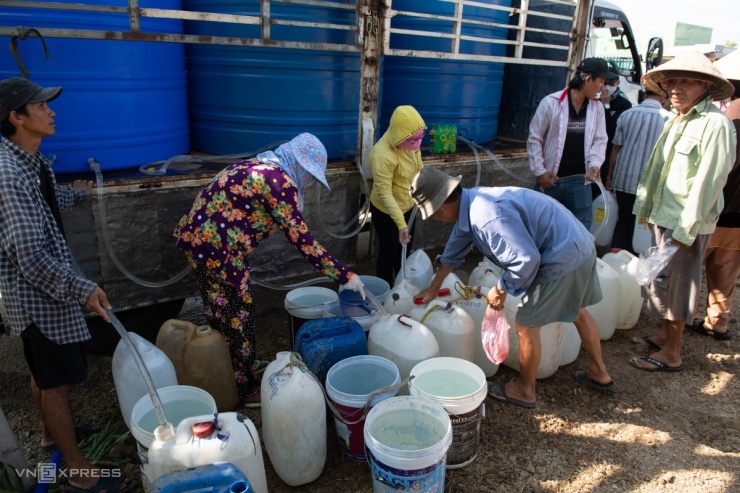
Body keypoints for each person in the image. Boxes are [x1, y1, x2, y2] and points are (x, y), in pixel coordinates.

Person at [0, 77, 128, 493]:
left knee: (44, 373)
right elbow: (30, 256)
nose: (51, 110)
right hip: (37, 298)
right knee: (57, 384)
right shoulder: (7, 174)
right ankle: (79, 472)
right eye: (40, 106)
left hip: (44, 293)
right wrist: (82, 289)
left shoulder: (28, 160)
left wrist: (77, 193)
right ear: (16, 118)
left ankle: (52, 436)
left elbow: (49, 196)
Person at [174, 133, 365, 403]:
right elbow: (304, 241)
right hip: (218, 249)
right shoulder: (279, 182)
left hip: (200, 240)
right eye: (308, 173)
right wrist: (345, 275)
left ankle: (226, 373)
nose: (308, 180)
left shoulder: (261, 165)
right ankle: (244, 386)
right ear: (298, 163)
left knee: (221, 313)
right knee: (238, 314)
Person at [409, 166, 615, 408]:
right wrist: (434, 287)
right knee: (577, 310)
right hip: (579, 244)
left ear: (440, 209)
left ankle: (525, 390)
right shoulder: (473, 201)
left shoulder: (486, 218)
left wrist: (500, 289)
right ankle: (599, 372)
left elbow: (526, 260)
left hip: (562, 257)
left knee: (526, 324)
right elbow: (454, 249)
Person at [629, 52, 736, 371]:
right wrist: (647, 211)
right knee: (660, 280)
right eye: (671, 81)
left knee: (677, 285)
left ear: (704, 85)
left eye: (685, 80)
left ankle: (672, 354)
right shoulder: (677, 118)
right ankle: (664, 337)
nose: (675, 87)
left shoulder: (714, 124)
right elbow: (659, 172)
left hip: (684, 222)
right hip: (665, 217)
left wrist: (686, 229)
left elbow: (709, 180)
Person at [527, 57, 617, 229]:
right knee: (541, 228)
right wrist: (540, 172)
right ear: (588, 79)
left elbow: (600, 140)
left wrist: (595, 164)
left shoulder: (596, 108)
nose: (602, 87)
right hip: (550, 181)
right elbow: (534, 138)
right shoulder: (551, 103)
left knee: (580, 232)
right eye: (601, 81)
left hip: (579, 183)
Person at [687, 76, 740, 340]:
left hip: (717, 213)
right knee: (726, 271)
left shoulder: (730, 123)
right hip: (737, 221)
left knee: (693, 266)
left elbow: (717, 172)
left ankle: (687, 316)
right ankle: (717, 322)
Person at [605, 90, 671, 253]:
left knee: (623, 220)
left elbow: (616, 148)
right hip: (650, 183)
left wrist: (609, 176)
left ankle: (616, 257)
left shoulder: (627, 114)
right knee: (642, 225)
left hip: (623, 178)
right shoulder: (669, 119)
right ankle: (636, 261)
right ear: (663, 97)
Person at [369, 105, 427, 286]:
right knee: (389, 252)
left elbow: (419, 169)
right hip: (386, 210)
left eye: (420, 137)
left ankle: (402, 289)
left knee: (404, 251)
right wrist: (401, 224)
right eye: (413, 140)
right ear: (400, 135)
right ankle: (385, 293)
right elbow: (384, 193)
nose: (417, 143)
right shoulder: (382, 155)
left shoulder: (410, 140)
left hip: (408, 204)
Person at [597, 67, 632, 191]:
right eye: (604, 83)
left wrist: (605, 106)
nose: (606, 87)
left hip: (609, 152)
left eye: (611, 84)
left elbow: (612, 129)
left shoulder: (624, 104)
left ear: (618, 84)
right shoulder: (593, 101)